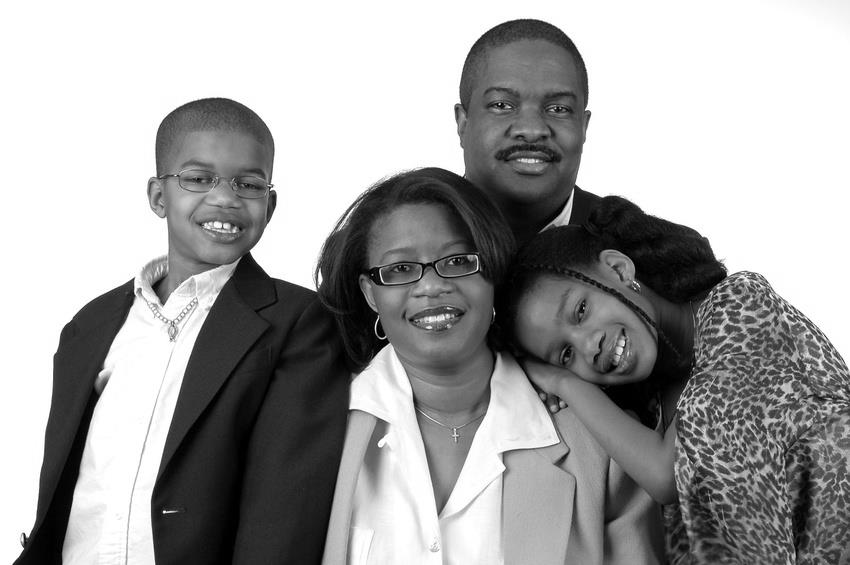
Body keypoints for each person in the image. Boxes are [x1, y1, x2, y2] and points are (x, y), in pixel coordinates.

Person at [15, 98, 349, 565]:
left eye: (249, 184)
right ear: (158, 196)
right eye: (198, 178)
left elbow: (284, 514)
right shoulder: (90, 325)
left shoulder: (300, 323)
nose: (225, 198)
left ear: (270, 205)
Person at [316, 168, 664, 564]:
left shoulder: (601, 448)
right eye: (400, 269)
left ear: (492, 272)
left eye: (457, 260)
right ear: (370, 294)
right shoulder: (320, 428)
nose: (431, 286)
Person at [502, 195, 850, 564]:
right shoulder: (655, 407)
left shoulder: (742, 307)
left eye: (581, 310)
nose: (589, 345)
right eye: (565, 354)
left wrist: (563, 382)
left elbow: (667, 473)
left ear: (618, 270)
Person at [455, 19, 600, 247]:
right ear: (463, 123)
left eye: (558, 109)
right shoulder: (399, 236)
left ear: (584, 126)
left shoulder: (641, 251)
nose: (532, 131)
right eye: (502, 105)